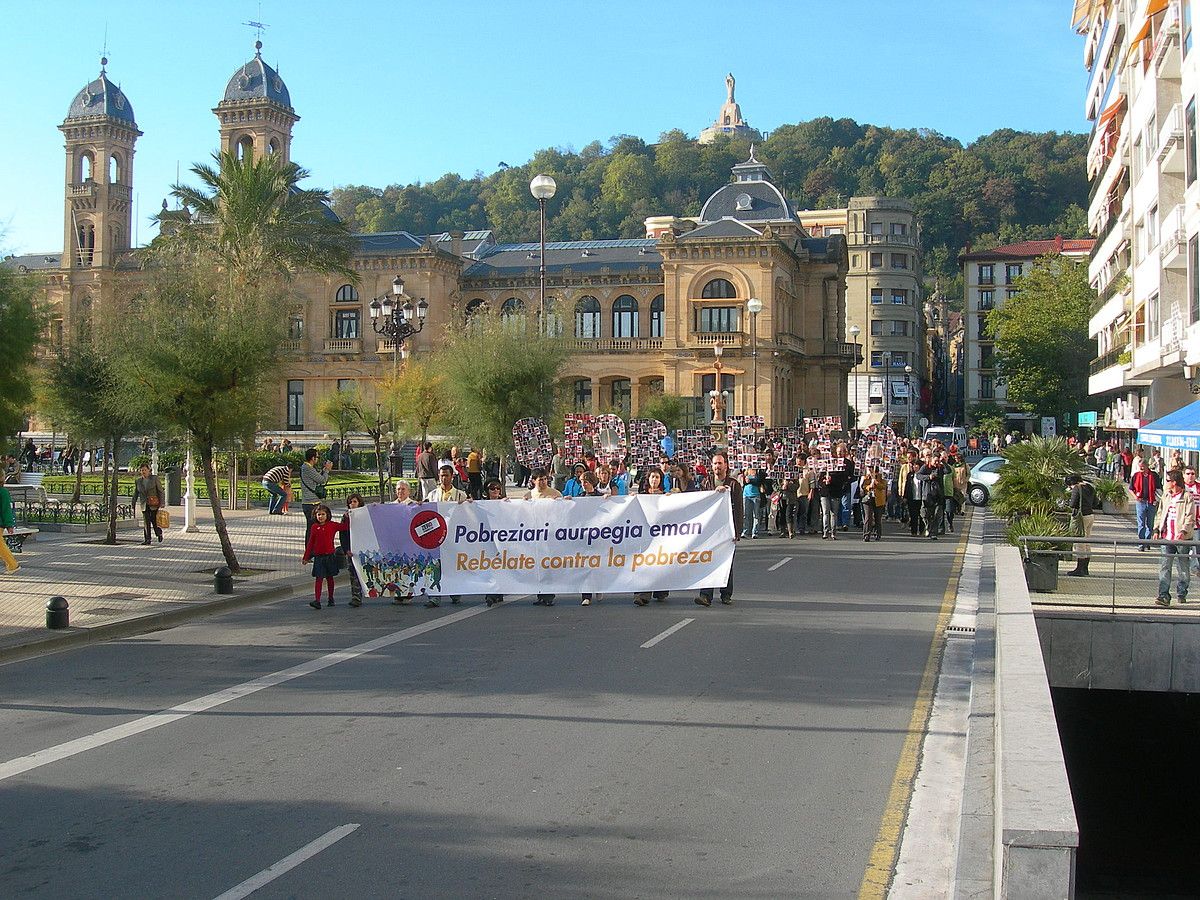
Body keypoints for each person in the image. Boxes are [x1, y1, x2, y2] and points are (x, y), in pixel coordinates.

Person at [696, 451, 742, 607]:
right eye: (715, 463)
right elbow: (700, 503)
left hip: (727, 530)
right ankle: (705, 595)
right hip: (710, 530)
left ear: (726, 466)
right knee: (707, 561)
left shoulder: (734, 485)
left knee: (726, 561)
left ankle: (726, 594)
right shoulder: (706, 483)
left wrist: (737, 531)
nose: (717, 466)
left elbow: (739, 510)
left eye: (720, 463)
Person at [424, 465, 469, 608]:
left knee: (452, 565)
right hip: (437, 535)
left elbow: (468, 513)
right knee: (435, 566)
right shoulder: (432, 495)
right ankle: (434, 597)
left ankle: (455, 592)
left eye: (447, 475)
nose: (444, 478)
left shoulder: (460, 495)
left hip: (453, 535)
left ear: (452, 477)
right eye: (442, 475)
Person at [1154, 471, 1196, 607]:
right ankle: (1163, 595)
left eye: (1167, 480)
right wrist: (1156, 529)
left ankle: (1182, 592)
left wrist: (1183, 531)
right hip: (1167, 537)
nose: (1165, 483)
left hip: (1182, 538)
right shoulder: (1166, 496)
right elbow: (1160, 513)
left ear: (1174, 482)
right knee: (1165, 566)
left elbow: (1190, 516)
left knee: (1183, 566)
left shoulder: (1187, 497)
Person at [301, 503, 349, 609]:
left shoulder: (332, 525)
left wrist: (350, 517)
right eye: (319, 515)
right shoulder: (314, 527)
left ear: (327, 515)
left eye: (323, 514)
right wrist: (306, 557)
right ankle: (317, 600)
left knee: (330, 578)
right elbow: (310, 543)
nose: (321, 517)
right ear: (315, 516)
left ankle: (331, 598)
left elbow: (345, 527)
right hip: (319, 557)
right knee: (319, 579)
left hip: (330, 556)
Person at [634, 467, 670, 606]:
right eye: (652, 477)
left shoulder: (665, 495)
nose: (654, 480)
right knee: (644, 564)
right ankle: (642, 594)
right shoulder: (641, 496)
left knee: (660, 563)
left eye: (657, 477)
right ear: (648, 479)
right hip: (644, 534)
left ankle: (660, 591)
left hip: (660, 534)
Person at [527, 467, 563, 606]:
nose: (542, 482)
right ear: (533, 481)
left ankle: (549, 595)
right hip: (535, 536)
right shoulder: (529, 495)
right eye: (539, 479)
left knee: (548, 565)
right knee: (537, 566)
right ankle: (540, 594)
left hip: (550, 535)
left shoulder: (554, 493)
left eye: (544, 479)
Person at [577, 470, 606, 606]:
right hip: (584, 536)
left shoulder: (600, 496)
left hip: (598, 535)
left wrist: (609, 499)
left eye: (585, 482)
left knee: (597, 564)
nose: (583, 484)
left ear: (591, 482)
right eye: (581, 481)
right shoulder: (580, 496)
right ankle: (586, 595)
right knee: (585, 565)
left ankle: (599, 587)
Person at [482, 478, 507, 607]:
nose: (495, 490)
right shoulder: (480, 504)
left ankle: (498, 592)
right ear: (487, 491)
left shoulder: (505, 503)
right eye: (492, 488)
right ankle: (490, 594)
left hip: (502, 539)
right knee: (489, 566)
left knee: (500, 566)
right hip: (486, 539)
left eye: (498, 488)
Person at [299, 449, 332, 544]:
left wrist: (324, 470)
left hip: (311, 502)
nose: (318, 459)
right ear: (313, 458)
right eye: (317, 457)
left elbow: (316, 478)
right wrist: (327, 470)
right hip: (310, 503)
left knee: (313, 528)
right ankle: (309, 554)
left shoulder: (306, 467)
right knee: (311, 529)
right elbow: (322, 480)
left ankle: (313, 551)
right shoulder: (307, 468)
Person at [340, 493, 365, 607]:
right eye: (350, 502)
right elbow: (343, 535)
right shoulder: (346, 517)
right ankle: (356, 597)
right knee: (353, 574)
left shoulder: (365, 515)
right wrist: (346, 549)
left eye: (355, 501)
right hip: (351, 549)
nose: (352, 504)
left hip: (364, 548)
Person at [1131, 457, 1159, 551]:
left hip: (1151, 502)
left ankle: (1147, 542)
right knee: (1141, 523)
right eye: (1140, 467)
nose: (1141, 469)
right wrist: (1135, 497)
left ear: (1147, 466)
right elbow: (1131, 488)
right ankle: (1141, 543)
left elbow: (1159, 489)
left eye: (1143, 467)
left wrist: (1158, 499)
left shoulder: (1154, 475)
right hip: (1140, 501)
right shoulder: (1136, 475)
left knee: (1150, 524)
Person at [133, 463, 165, 545]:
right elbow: (136, 493)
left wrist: (162, 502)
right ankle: (147, 539)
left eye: (145, 470)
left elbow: (160, 491)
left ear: (149, 470)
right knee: (146, 521)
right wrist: (133, 503)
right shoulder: (138, 481)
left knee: (154, 521)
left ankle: (159, 533)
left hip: (154, 503)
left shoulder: (154, 478)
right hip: (144, 504)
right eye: (142, 470)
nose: (143, 472)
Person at [860, 466, 886, 542]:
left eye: (872, 468)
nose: (870, 470)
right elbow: (863, 486)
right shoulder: (866, 477)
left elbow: (883, 486)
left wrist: (876, 482)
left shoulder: (881, 477)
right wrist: (869, 486)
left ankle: (877, 533)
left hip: (878, 499)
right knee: (868, 517)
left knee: (878, 517)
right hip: (868, 499)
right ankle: (866, 534)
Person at [0, 482, 20, 575]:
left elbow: (6, 509)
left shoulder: (3, 492)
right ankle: (12, 565)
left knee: (0, 545)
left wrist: (9, 525)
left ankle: (13, 564)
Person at [741, 467, 763, 540]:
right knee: (746, 514)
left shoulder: (758, 472)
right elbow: (742, 482)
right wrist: (744, 480)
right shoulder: (745, 471)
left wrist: (750, 480)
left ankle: (755, 532)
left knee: (756, 514)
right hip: (746, 495)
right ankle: (746, 531)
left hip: (756, 495)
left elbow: (759, 481)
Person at [816, 471, 838, 540]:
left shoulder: (836, 473)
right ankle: (825, 532)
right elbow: (819, 483)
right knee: (825, 513)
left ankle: (833, 532)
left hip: (834, 494)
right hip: (824, 494)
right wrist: (825, 482)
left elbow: (839, 482)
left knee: (834, 514)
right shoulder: (822, 473)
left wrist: (832, 481)